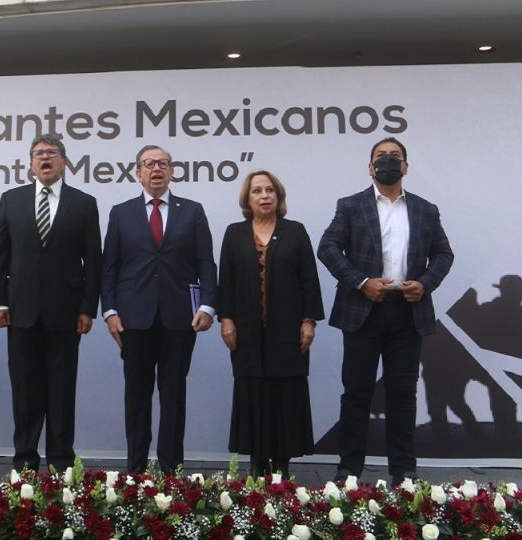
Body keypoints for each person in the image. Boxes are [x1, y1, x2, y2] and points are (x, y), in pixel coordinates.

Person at [318, 137, 453, 485]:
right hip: (363, 311)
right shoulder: (350, 205)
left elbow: (443, 255)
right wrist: (362, 282)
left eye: (395, 157)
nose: (388, 161)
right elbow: (328, 247)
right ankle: (348, 470)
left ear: (406, 166)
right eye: (381, 157)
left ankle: (404, 470)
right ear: (370, 167)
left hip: (408, 313)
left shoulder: (426, 209)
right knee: (357, 393)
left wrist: (425, 283)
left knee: (403, 394)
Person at [101, 145, 218, 474]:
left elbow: (205, 262)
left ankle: (171, 471)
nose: (156, 169)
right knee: (136, 398)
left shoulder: (191, 211)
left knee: (174, 397)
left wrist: (208, 305)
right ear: (137, 173)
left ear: (171, 171)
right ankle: (135, 471)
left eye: (163, 164)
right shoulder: (121, 212)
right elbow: (110, 266)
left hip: (178, 318)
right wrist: (110, 312)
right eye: (149, 164)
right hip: (133, 320)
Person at [0, 133, 102, 472]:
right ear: (30, 164)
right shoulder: (12, 200)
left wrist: (87, 307)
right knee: (25, 391)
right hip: (20, 311)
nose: (45, 159)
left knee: (62, 390)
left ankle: (60, 463)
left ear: (64, 162)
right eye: (38, 154)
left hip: (66, 313)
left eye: (51, 153)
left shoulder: (83, 203)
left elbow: (93, 260)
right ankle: (24, 461)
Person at [218, 170, 324, 478]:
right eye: (257, 191)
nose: (264, 196)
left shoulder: (295, 231)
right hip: (247, 333)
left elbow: (309, 280)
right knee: (253, 392)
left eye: (269, 191)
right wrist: (226, 320)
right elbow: (226, 280)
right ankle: (256, 460)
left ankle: (281, 463)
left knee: (285, 395)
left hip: (288, 331)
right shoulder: (234, 233)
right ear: (247, 199)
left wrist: (309, 321)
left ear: (278, 197)